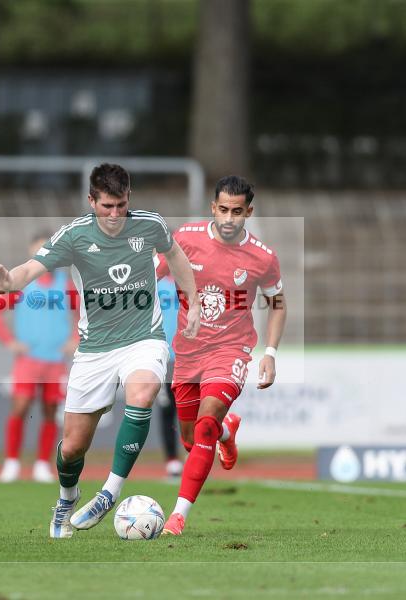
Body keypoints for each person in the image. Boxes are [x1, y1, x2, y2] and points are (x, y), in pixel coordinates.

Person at [0, 163, 200, 538]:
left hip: (143, 337)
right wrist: (8, 282)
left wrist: (194, 302)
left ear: (129, 198)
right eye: (107, 206)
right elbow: (30, 269)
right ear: (91, 201)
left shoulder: (150, 224)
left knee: (144, 391)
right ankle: (66, 498)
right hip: (95, 350)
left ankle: (108, 493)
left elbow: (178, 257)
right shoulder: (74, 235)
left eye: (121, 205)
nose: (115, 214)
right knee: (71, 448)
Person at [154, 175, 286, 536]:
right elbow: (151, 275)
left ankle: (178, 516)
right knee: (190, 436)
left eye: (237, 212)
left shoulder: (262, 257)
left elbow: (277, 305)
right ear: (213, 207)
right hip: (188, 350)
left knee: (205, 423)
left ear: (249, 212)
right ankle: (228, 432)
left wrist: (270, 353)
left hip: (231, 349)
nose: (229, 219)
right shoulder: (185, 238)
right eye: (223, 210)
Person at [0, 231, 79, 483]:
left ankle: (42, 464)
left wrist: (75, 338)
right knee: (20, 407)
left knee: (50, 411)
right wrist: (9, 342)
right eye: (38, 250)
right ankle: (12, 463)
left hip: (55, 360)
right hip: (27, 360)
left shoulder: (66, 284)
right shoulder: (23, 283)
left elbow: (81, 313)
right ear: (31, 253)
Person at [156, 272, 183, 478]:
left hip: (188, 356)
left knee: (190, 407)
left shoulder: (189, 283)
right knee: (167, 409)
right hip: (164, 357)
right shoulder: (153, 285)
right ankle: (172, 459)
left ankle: (194, 453)